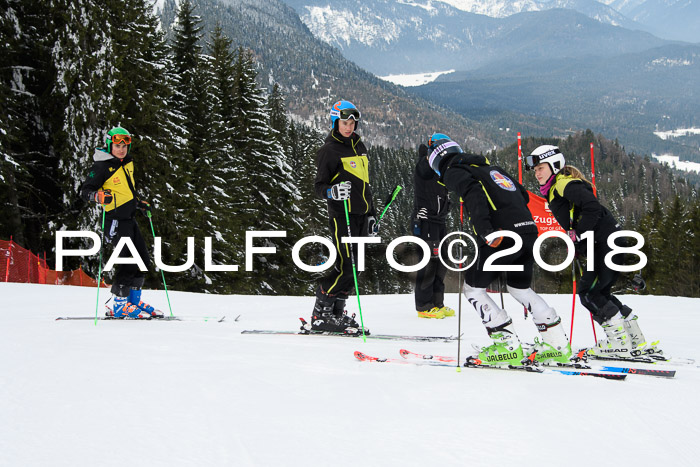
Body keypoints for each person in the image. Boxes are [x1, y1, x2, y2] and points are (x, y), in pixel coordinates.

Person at [425, 133, 572, 366]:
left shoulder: (453, 170)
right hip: (527, 231)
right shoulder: (491, 168)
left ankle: (507, 346)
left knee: (473, 290)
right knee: (520, 289)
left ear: (437, 159)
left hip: (501, 235)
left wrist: (486, 230)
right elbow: (522, 194)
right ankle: (557, 345)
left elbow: (473, 193)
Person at [526, 145, 657, 358]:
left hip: (605, 245)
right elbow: (581, 215)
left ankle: (619, 344)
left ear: (555, 165)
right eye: (535, 169)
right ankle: (634, 340)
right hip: (610, 242)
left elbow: (592, 207)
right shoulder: (558, 186)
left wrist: (578, 233)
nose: (537, 173)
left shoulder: (563, 184)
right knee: (600, 293)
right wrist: (578, 243)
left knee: (588, 293)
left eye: (541, 167)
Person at [308, 100, 377, 335]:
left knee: (356, 269)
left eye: (352, 123)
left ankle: (336, 313)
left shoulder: (360, 146)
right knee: (346, 267)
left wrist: (372, 215)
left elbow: (365, 185)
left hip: (360, 216)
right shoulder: (329, 150)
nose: (349, 127)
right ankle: (321, 314)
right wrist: (332, 192)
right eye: (344, 123)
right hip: (342, 216)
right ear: (335, 122)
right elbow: (319, 187)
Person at [80, 126, 163, 319]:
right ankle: (118, 303)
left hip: (129, 218)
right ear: (110, 145)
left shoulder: (126, 163)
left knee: (142, 258)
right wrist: (98, 196)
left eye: (125, 146)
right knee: (128, 259)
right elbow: (85, 191)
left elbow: (126, 190)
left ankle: (132, 301)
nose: (121, 149)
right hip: (115, 221)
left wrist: (139, 203)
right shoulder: (102, 166)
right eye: (117, 145)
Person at [411, 148, 455, 319]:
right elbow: (424, 164)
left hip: (439, 221)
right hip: (425, 221)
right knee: (428, 263)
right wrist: (429, 153)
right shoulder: (424, 166)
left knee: (442, 261)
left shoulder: (439, 169)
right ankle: (424, 305)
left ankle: (437, 302)